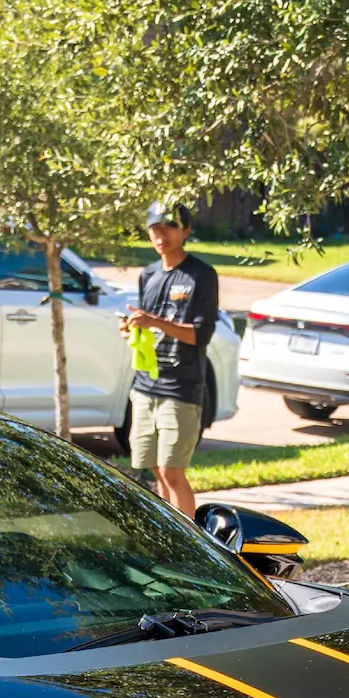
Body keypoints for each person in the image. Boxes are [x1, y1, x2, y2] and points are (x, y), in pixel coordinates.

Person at [122, 202, 219, 516]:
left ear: (186, 231)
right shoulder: (148, 274)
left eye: (168, 227)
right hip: (145, 387)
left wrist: (154, 322)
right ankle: (170, 536)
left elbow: (200, 335)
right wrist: (132, 330)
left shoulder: (201, 275)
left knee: (173, 471)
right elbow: (149, 324)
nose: (159, 234)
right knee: (155, 470)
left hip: (181, 389)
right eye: (154, 227)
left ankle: (192, 545)